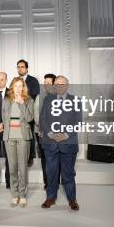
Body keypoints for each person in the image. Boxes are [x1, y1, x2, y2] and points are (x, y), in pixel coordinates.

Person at [38, 75, 80, 211]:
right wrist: (51, 134)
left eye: (63, 84)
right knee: (51, 172)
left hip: (68, 143)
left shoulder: (75, 100)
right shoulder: (48, 99)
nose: (60, 86)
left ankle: (72, 200)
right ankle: (50, 198)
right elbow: (43, 119)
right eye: (57, 84)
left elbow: (78, 121)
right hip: (51, 143)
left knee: (68, 173)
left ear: (67, 85)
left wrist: (65, 135)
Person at [0, 77, 34, 207]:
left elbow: (30, 118)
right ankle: (15, 195)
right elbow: (4, 118)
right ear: (12, 87)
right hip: (9, 138)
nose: (18, 89)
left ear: (24, 87)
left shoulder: (28, 100)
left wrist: (22, 104)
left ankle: (23, 195)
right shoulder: (7, 100)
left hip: (23, 137)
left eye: (21, 86)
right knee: (12, 168)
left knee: (23, 168)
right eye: (16, 86)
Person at [16, 59, 40, 167]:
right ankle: (21, 157)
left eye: (22, 67)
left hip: (29, 112)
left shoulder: (33, 80)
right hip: (17, 113)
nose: (19, 68)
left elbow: (35, 96)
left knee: (29, 135)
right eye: (18, 67)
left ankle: (30, 157)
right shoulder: (15, 80)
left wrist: (23, 102)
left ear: (26, 68)